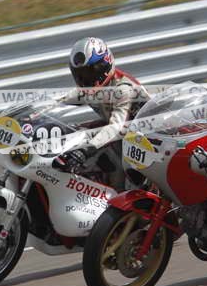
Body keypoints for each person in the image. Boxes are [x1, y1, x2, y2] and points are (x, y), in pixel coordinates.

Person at [55, 37, 149, 190]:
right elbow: (60, 101)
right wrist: (34, 112)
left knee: (129, 187)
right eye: (81, 75)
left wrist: (85, 150)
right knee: (77, 132)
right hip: (124, 140)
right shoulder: (90, 88)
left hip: (145, 145)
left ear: (104, 65)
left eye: (91, 72)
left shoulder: (123, 88)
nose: (86, 80)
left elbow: (115, 128)